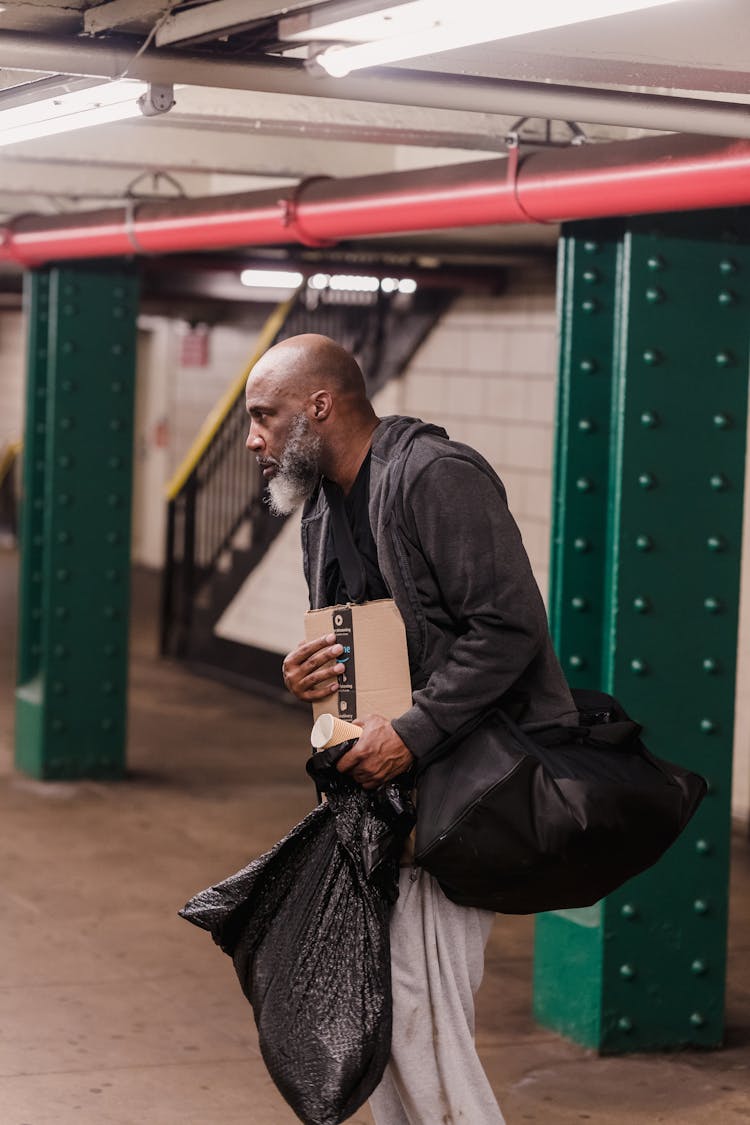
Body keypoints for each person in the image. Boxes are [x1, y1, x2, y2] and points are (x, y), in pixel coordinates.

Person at [245, 332, 577, 1124]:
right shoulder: (321, 507)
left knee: (422, 1013)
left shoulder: (435, 476)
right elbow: (368, 638)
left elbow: (508, 625)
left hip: (462, 786)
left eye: (264, 414)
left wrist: (416, 731)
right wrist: (308, 675)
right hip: (381, 793)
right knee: (383, 1007)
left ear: (320, 406)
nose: (253, 438)